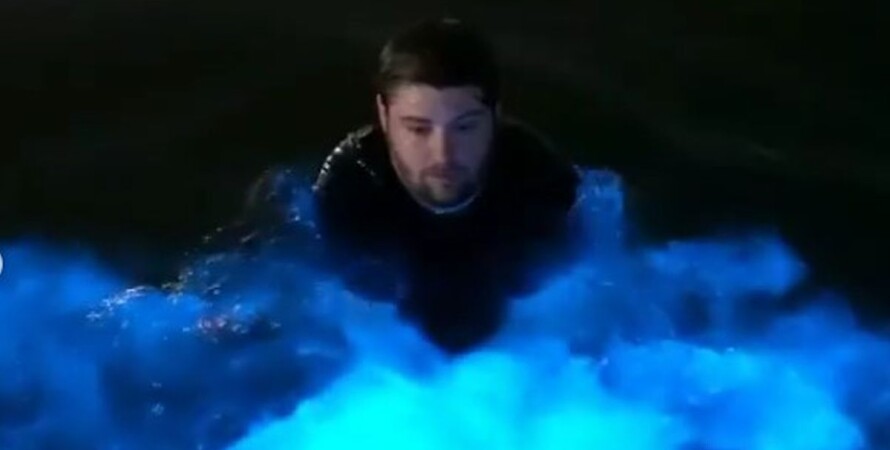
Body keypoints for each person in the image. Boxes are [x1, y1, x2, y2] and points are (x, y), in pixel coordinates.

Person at [208, 18, 584, 352]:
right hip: (391, 332)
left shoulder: (541, 179)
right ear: (384, 117)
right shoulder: (351, 183)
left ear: (495, 117)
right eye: (418, 129)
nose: (443, 153)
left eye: (465, 127)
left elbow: (579, 275)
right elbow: (311, 281)